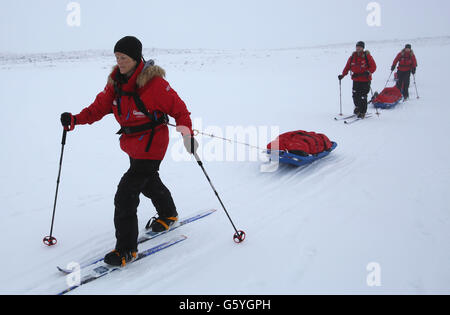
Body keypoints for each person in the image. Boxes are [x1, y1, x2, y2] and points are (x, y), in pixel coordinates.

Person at [60, 36, 199, 267]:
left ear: (136, 58)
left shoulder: (154, 84)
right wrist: (75, 119)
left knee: (126, 193)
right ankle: (169, 214)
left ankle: (126, 250)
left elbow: (180, 111)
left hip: (153, 145)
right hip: (133, 144)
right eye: (117, 57)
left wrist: (187, 135)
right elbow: (98, 109)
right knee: (147, 181)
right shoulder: (115, 83)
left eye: (123, 57)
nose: (119, 62)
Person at [338, 41, 377, 118]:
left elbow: (374, 66)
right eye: (357, 46)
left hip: (365, 80)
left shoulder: (367, 56)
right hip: (356, 79)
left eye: (360, 47)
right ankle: (358, 108)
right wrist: (343, 75)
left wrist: (368, 72)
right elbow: (347, 67)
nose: (358, 48)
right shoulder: (352, 57)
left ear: (363, 48)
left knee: (363, 96)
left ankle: (362, 112)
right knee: (355, 95)